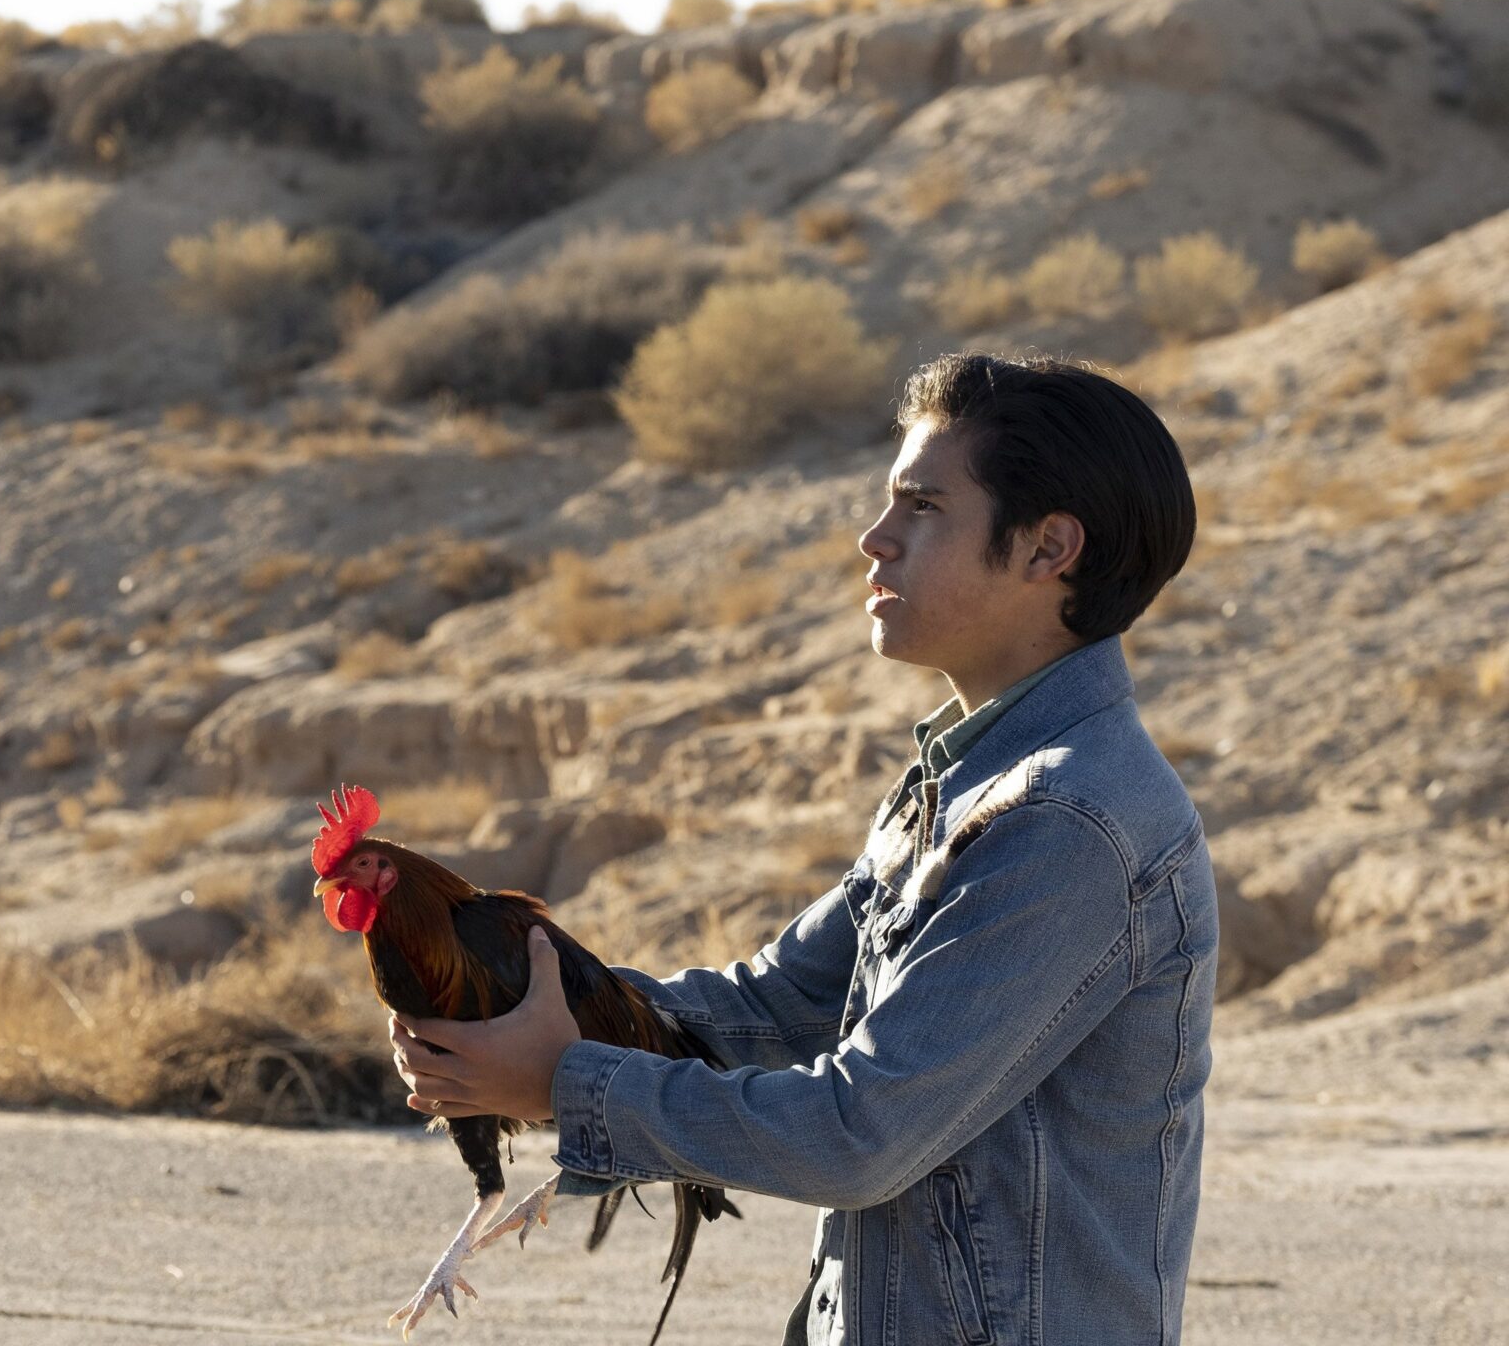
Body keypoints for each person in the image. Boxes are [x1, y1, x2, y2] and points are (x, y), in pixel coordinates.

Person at [392, 354, 1215, 1345]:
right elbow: (778, 1005)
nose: (875, 538)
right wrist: (519, 1002)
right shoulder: (965, 783)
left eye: (922, 507)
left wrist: (565, 1080)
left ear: (1048, 548)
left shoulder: (1067, 822)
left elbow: (859, 1136)